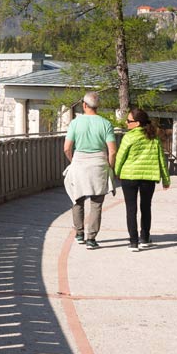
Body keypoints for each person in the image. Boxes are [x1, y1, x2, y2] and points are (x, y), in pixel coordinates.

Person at [63, 91, 117, 250]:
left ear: (84, 105)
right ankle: (91, 239)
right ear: (97, 106)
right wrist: (110, 166)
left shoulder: (75, 123)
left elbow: (66, 148)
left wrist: (73, 161)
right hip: (99, 164)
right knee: (96, 203)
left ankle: (79, 234)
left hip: (79, 163)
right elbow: (112, 151)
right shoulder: (105, 124)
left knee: (77, 200)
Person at [114, 108, 170, 251]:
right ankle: (144, 238)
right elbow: (161, 159)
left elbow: (120, 157)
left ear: (137, 123)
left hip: (129, 176)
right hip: (148, 178)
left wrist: (117, 172)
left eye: (129, 121)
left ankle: (133, 242)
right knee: (146, 208)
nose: (126, 123)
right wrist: (166, 179)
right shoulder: (153, 137)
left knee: (131, 209)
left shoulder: (129, 137)